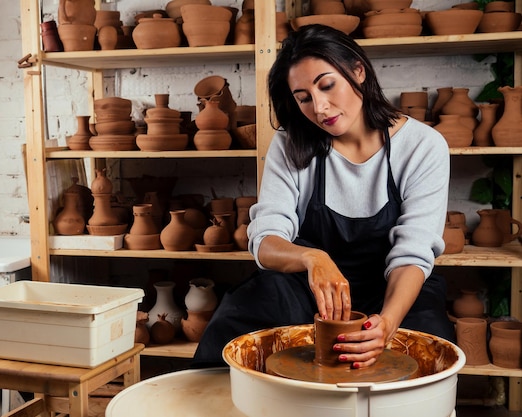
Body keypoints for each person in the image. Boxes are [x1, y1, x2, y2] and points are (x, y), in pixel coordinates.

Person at [192, 24, 455, 369]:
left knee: (427, 341)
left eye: (327, 85)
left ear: (358, 71)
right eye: (303, 98)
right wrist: (312, 258)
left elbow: (414, 251)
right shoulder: (291, 144)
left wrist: (387, 324)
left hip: (392, 286)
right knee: (241, 315)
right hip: (308, 287)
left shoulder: (422, 146)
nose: (319, 107)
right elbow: (265, 238)